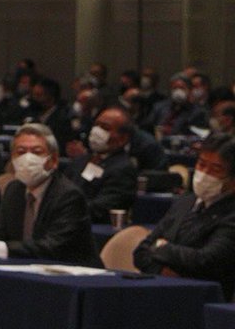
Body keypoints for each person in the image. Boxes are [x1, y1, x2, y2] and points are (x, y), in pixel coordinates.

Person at [0, 123, 99, 265]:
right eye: (21, 152)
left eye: (36, 152)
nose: (27, 158)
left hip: (71, 272)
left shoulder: (68, 195)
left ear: (53, 160)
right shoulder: (14, 190)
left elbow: (53, 247)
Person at [134, 134, 235, 299]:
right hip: (159, 291)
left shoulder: (231, 214)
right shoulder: (185, 202)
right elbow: (141, 252)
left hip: (204, 299)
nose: (204, 173)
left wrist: (161, 247)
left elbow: (206, 260)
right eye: (201, 164)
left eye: (215, 170)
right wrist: (163, 272)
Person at [64, 107, 138, 223]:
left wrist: (63, 210)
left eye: (105, 128)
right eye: (96, 125)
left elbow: (101, 209)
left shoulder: (123, 169)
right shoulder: (80, 161)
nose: (96, 131)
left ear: (123, 139)